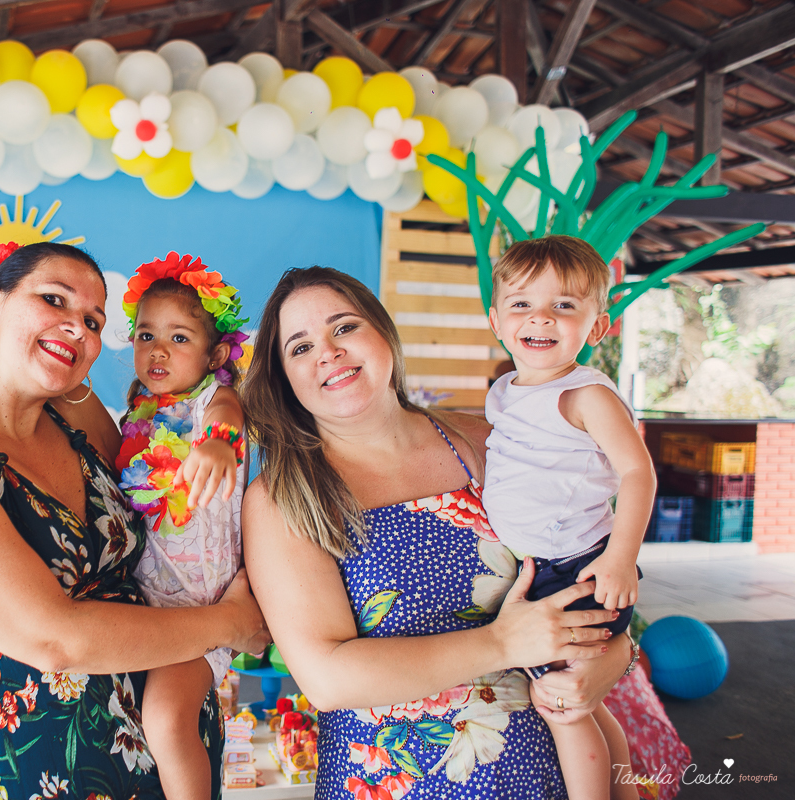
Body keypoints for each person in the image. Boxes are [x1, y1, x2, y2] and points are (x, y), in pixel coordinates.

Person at [0, 242, 269, 800]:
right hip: (30, 770)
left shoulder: (79, 422)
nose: (78, 328)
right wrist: (230, 623)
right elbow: (53, 637)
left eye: (94, 321)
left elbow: (198, 444)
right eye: (53, 300)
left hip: (169, 746)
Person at [240, 266, 639, 799]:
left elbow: (586, 555)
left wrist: (615, 654)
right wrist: (501, 643)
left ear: (384, 332)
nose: (328, 353)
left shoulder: (487, 442)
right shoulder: (282, 498)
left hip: (549, 771)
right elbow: (328, 678)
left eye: (344, 327)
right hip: (395, 783)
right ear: (285, 376)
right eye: (301, 347)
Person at [484, 236, 653, 800]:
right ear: (496, 321)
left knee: (563, 708)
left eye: (563, 305)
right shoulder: (505, 390)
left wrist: (620, 558)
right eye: (522, 304)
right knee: (587, 705)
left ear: (597, 327)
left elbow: (638, 474)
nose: (541, 318)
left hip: (581, 569)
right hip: (543, 565)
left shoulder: (585, 397)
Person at [115, 253, 250, 800]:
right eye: (146, 335)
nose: (158, 350)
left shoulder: (213, 401)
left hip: (201, 609)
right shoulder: (136, 414)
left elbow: (228, 417)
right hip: (147, 605)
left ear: (215, 354)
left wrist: (218, 443)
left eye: (178, 338)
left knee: (167, 721)